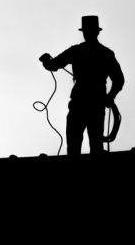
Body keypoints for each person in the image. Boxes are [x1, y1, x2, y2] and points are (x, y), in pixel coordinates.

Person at [40, 15, 125, 155]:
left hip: (81, 104)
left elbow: (53, 65)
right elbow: (119, 80)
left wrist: (46, 62)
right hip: (95, 105)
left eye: (87, 31)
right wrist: (110, 96)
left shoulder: (77, 51)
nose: (87, 34)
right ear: (97, 32)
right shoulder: (105, 53)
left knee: (75, 146)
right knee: (94, 146)